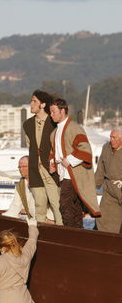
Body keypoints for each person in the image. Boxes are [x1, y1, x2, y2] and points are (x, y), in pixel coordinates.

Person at [49, 97, 101, 228]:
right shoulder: (54, 133)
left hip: (73, 175)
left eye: (53, 111)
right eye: (50, 112)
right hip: (63, 174)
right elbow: (53, 152)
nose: (51, 115)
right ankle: (78, 232)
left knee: (65, 205)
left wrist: (69, 160)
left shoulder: (74, 128)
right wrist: (52, 164)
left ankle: (70, 232)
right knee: (75, 207)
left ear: (62, 111)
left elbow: (85, 149)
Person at [23, 89, 63, 225]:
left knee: (56, 204)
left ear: (43, 104)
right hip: (35, 169)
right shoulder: (27, 124)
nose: (31, 104)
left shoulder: (54, 123)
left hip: (51, 169)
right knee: (39, 205)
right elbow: (30, 146)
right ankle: (38, 233)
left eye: (34, 101)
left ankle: (62, 232)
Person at [3, 155, 54, 223]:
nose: (21, 169)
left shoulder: (43, 181)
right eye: (19, 167)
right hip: (33, 220)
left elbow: (53, 200)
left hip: (47, 220)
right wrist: (4, 218)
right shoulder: (21, 185)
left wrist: (51, 218)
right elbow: (16, 206)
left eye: (24, 167)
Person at [95, 127, 122, 233]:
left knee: (118, 223)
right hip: (108, 190)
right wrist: (93, 187)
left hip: (120, 191)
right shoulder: (106, 148)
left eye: (114, 138)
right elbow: (100, 170)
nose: (111, 140)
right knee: (102, 218)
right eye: (110, 137)